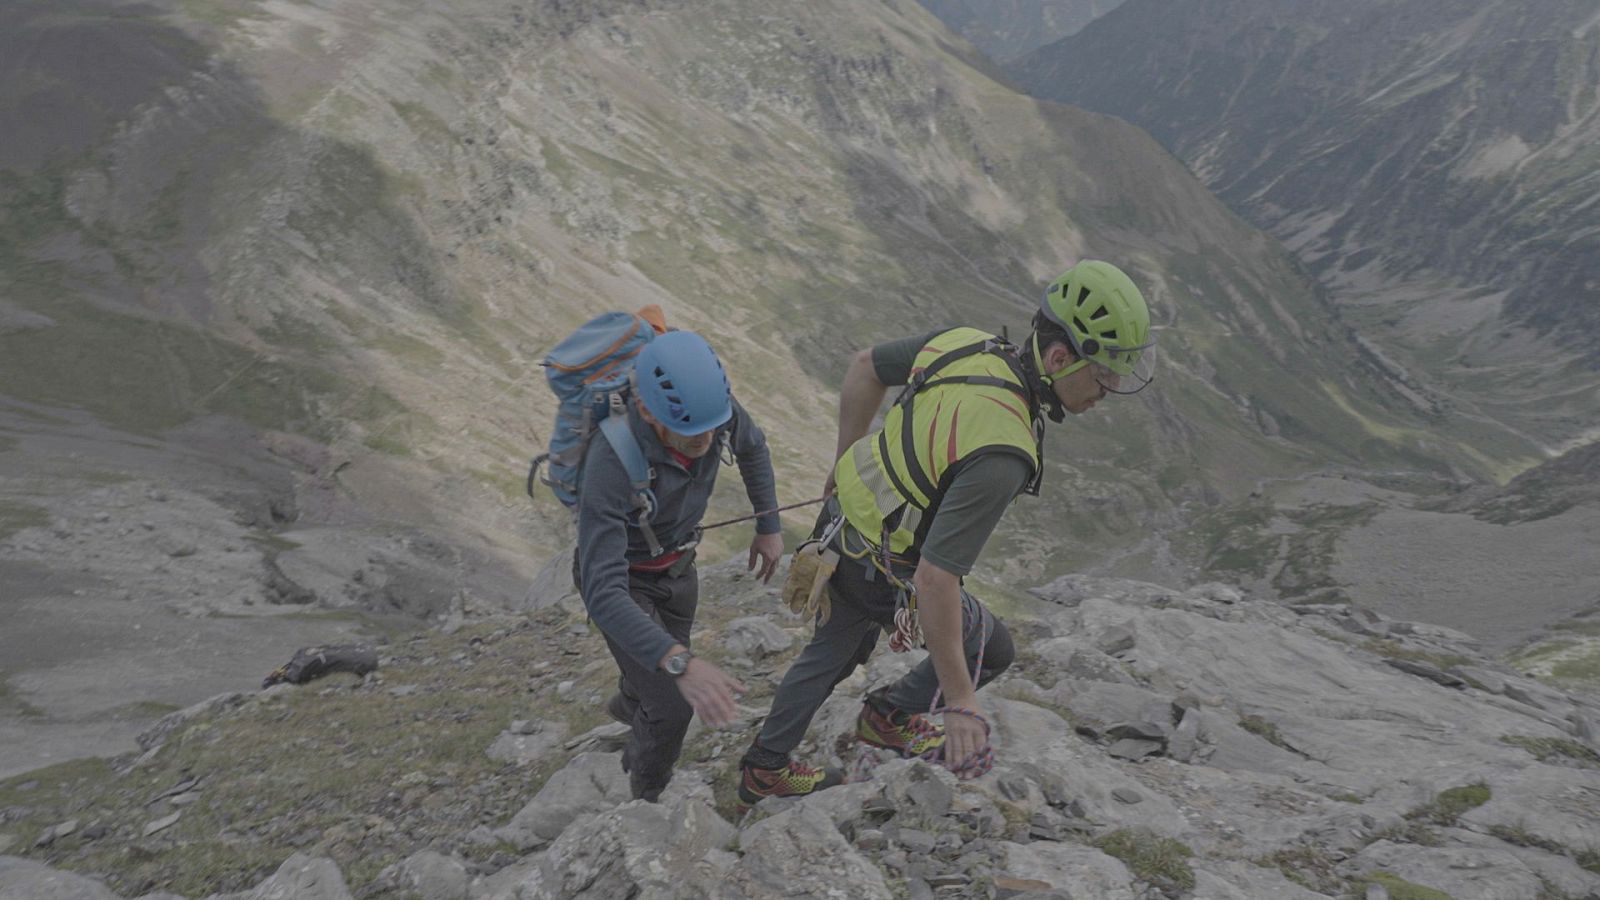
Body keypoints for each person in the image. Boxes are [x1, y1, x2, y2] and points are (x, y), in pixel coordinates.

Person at [737, 260, 1155, 803]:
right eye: (1103, 375)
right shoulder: (1003, 452)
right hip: (885, 564)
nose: (1109, 390)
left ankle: (765, 767)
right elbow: (936, 580)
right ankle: (890, 717)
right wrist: (960, 701)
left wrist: (842, 465)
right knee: (992, 646)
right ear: (1058, 358)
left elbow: (865, 366)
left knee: (836, 646)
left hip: (839, 524)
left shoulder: (965, 343)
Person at [575, 329, 785, 802]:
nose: (707, 439)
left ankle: (631, 705)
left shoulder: (712, 411)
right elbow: (603, 590)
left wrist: (768, 525)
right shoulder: (609, 462)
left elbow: (753, 448)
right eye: (692, 431)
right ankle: (647, 794)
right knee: (673, 704)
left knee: (650, 678)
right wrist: (679, 664)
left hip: (678, 570)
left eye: (713, 427)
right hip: (626, 582)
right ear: (648, 411)